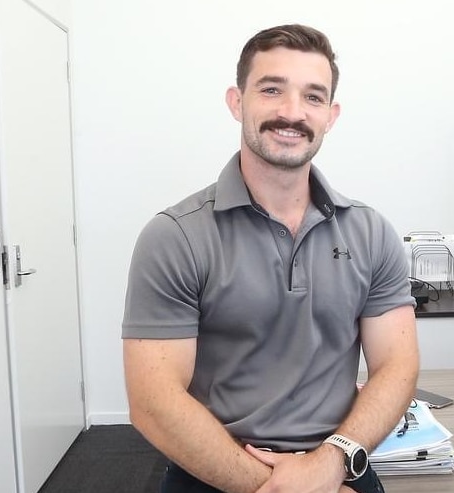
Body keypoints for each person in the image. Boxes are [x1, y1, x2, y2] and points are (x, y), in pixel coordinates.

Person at [122, 24, 419, 493]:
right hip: (214, 469)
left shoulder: (371, 232)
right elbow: (153, 402)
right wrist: (278, 488)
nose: (292, 112)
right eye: (272, 89)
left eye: (313, 97)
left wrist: (332, 462)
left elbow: (397, 366)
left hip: (336, 463)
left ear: (331, 115)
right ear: (237, 101)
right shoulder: (175, 236)